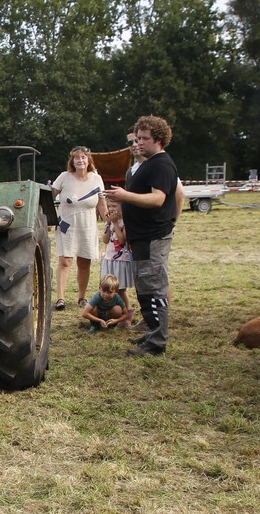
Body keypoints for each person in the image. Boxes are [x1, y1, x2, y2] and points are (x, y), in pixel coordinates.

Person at [106, 116, 178, 356]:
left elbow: (158, 199)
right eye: (137, 138)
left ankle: (157, 343)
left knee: (154, 290)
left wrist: (124, 196)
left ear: (159, 140)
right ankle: (151, 334)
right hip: (142, 237)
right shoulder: (149, 164)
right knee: (145, 290)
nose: (139, 143)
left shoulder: (162, 165)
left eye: (144, 139)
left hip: (152, 237)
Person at [51, 146, 104, 312]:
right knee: (65, 261)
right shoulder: (64, 177)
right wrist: (48, 217)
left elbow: (102, 203)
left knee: (84, 261)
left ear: (88, 160)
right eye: (77, 158)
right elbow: (49, 197)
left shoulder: (96, 179)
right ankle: (60, 298)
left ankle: (82, 297)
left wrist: (109, 221)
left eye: (83, 157)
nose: (80, 160)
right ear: (72, 161)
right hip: (67, 225)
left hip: (87, 225)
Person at [100, 198, 136, 326]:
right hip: (110, 258)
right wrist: (108, 224)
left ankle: (127, 315)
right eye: (109, 206)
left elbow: (122, 241)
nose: (111, 209)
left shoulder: (126, 221)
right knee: (109, 287)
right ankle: (114, 313)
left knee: (120, 289)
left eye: (114, 206)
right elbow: (105, 240)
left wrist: (115, 223)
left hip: (121, 260)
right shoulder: (111, 221)